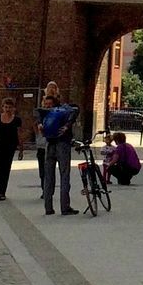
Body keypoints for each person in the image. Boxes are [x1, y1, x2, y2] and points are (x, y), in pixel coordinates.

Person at [37, 84, 80, 216]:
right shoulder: (63, 110)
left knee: (48, 177)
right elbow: (76, 109)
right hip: (62, 144)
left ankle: (48, 207)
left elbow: (40, 126)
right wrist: (68, 125)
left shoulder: (43, 113)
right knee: (64, 175)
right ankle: (65, 207)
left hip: (50, 145)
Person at [0, 96, 24, 201]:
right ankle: (1, 187)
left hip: (10, 147)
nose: (7, 109)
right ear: (2, 107)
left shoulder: (17, 120)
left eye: (10, 107)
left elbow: (19, 135)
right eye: (6, 107)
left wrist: (21, 149)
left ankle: (2, 191)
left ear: (13, 108)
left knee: (6, 168)